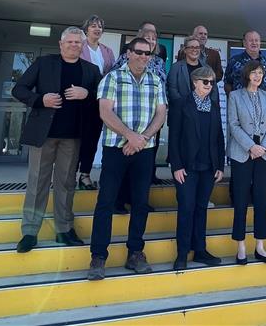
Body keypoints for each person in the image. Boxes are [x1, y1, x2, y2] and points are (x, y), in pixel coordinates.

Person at [12, 27, 101, 253]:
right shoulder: (44, 63)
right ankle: (30, 232)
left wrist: (87, 94)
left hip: (72, 137)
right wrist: (40, 99)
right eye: (69, 42)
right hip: (44, 136)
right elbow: (19, 89)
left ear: (82, 46)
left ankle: (64, 229)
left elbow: (103, 96)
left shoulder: (91, 70)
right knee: (37, 184)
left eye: (77, 42)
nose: (73, 45)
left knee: (66, 185)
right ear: (61, 44)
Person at [87, 37, 167, 280]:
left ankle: (135, 252)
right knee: (106, 202)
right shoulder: (113, 77)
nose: (144, 56)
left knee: (140, 203)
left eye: (148, 53)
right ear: (129, 53)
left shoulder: (155, 80)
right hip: (116, 150)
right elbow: (104, 111)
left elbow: (161, 114)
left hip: (144, 150)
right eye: (139, 52)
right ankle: (98, 256)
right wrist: (130, 136)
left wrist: (140, 139)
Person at [169, 66, 225, 271]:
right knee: (186, 208)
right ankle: (182, 252)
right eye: (206, 82)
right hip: (186, 167)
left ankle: (200, 249)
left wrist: (220, 165)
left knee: (201, 208)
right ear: (195, 82)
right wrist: (176, 166)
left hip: (208, 167)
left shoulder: (215, 106)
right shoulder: (181, 104)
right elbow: (174, 137)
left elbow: (219, 137)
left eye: (212, 82)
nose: (209, 86)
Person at [227, 60, 266, 264]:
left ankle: (260, 246)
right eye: (254, 73)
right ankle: (240, 246)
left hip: (264, 151)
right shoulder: (235, 96)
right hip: (243, 151)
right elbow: (233, 124)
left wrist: (263, 146)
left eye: (260, 73)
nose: (258, 76)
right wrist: (251, 146)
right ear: (247, 75)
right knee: (240, 199)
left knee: (260, 199)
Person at [113, 22, 168, 210]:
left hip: (152, 118)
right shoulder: (124, 58)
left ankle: (139, 201)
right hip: (127, 119)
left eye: (154, 39)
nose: (151, 41)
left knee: (144, 165)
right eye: (147, 38)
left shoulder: (159, 62)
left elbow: (163, 86)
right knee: (125, 163)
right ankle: (119, 200)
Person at [77, 15, 116, 190]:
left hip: (99, 99)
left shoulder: (107, 51)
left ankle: (85, 174)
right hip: (79, 99)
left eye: (100, 26)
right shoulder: (79, 47)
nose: (97, 29)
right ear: (86, 29)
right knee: (75, 138)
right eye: (93, 26)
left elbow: (111, 73)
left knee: (92, 138)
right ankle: (67, 174)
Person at [168, 35, 218, 104]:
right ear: (185, 50)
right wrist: (185, 106)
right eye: (191, 47)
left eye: (197, 47)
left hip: (204, 110)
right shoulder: (175, 68)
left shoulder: (207, 68)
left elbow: (214, 91)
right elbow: (172, 90)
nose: (195, 50)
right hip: (181, 109)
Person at [223, 30, 266, 95]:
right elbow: (227, 84)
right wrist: (233, 99)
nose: (254, 43)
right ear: (244, 43)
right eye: (251, 40)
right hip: (241, 103)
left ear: (260, 43)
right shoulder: (234, 61)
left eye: (256, 40)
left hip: (265, 103)